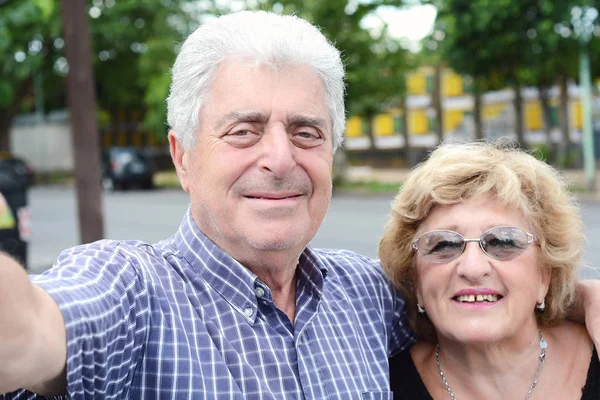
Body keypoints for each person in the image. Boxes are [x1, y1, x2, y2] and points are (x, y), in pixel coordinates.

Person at [0, 10, 599, 400]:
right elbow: (30, 330)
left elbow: (482, 292)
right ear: (182, 157)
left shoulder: (367, 295)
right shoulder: (130, 291)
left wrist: (582, 296)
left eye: (307, 132)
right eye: (244, 131)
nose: (280, 158)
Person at [380, 141, 599, 399]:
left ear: (545, 274)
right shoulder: (384, 387)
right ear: (416, 282)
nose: (473, 268)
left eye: (503, 241)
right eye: (444, 244)